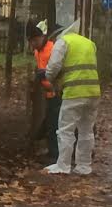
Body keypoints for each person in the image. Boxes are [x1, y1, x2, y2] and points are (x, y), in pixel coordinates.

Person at [43, 23, 101, 175]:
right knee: (86, 130)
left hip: (74, 92)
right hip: (93, 91)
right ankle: (84, 166)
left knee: (65, 130)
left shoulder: (63, 42)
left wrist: (48, 76)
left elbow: (53, 67)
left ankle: (63, 166)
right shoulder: (88, 42)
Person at [29, 21, 60, 164]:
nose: (33, 44)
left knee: (53, 124)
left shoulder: (52, 49)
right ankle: (52, 150)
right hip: (48, 92)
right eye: (31, 42)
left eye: (35, 41)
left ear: (42, 37)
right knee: (51, 122)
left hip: (57, 91)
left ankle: (55, 154)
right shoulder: (37, 52)